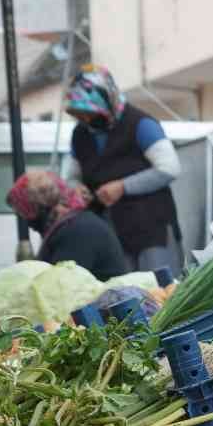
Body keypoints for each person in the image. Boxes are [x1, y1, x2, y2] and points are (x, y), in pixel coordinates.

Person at [61, 66, 183, 272]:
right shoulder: (79, 135)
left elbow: (170, 168)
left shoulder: (141, 124)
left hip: (152, 230)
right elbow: (72, 176)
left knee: (161, 292)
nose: (86, 120)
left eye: (90, 113)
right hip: (110, 232)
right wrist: (76, 187)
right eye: (81, 115)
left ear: (108, 101)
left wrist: (123, 187)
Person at [7, 170, 128, 281]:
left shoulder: (77, 230)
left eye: (25, 211)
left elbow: (61, 285)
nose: (27, 222)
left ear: (38, 206)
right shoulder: (73, 223)